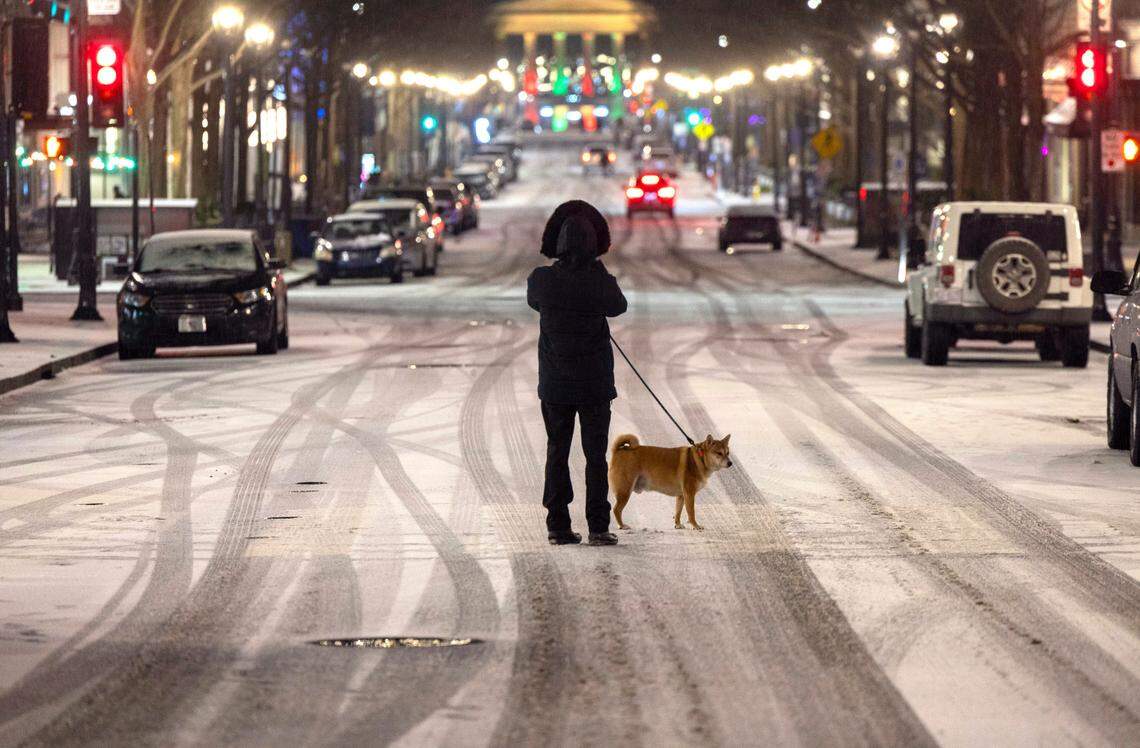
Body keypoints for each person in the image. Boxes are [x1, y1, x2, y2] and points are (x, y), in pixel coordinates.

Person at [527, 200, 627, 546]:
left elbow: (535, 301)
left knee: (557, 450)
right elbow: (618, 305)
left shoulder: (542, 281)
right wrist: (595, 271)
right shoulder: (599, 282)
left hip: (555, 385)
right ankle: (598, 526)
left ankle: (557, 524)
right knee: (595, 457)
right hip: (595, 385)